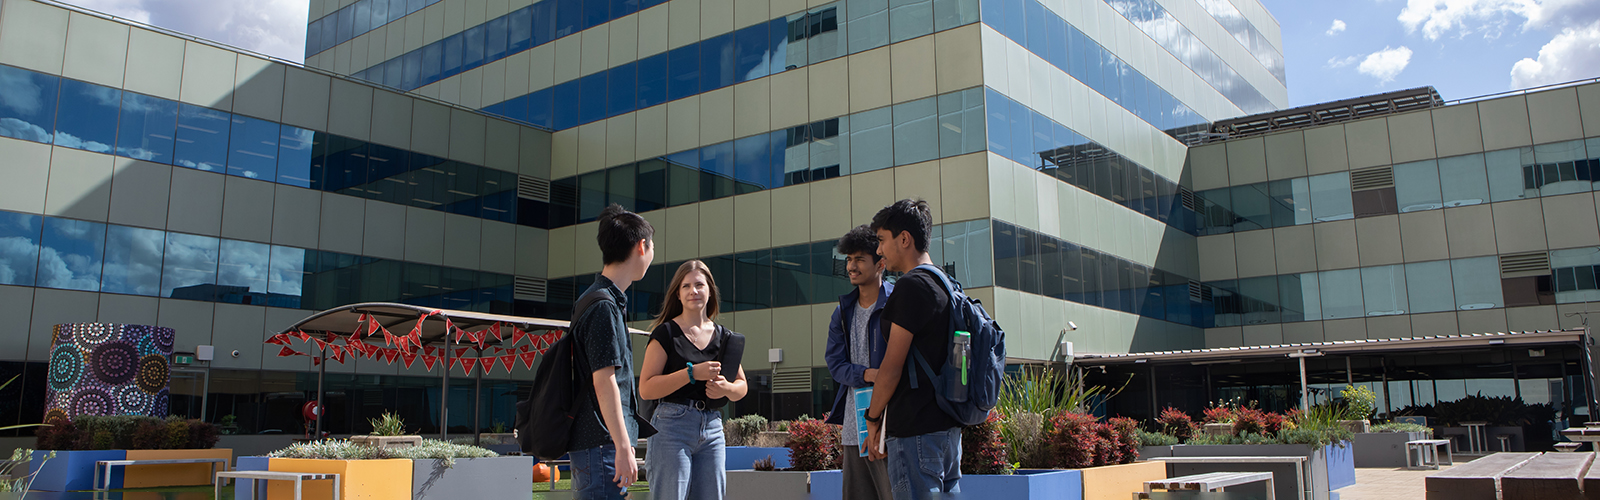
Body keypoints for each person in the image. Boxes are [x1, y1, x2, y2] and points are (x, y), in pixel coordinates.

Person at [862, 199, 962, 499]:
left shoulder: (911, 287)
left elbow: (891, 368)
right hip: (948, 428)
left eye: (881, 240)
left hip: (915, 432)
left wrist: (873, 418)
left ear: (904, 239)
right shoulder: (947, 284)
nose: (878, 250)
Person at [639, 260, 749, 500]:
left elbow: (741, 387)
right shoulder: (665, 333)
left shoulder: (724, 337)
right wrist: (691, 373)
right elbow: (646, 388)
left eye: (699, 285)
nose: (693, 291)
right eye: (686, 286)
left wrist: (726, 388)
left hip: (712, 428)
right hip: (671, 426)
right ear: (678, 294)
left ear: (710, 290)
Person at [569, 203, 656, 500]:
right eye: (652, 245)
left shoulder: (597, 300)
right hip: (602, 444)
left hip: (599, 444)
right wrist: (622, 446)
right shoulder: (604, 306)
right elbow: (604, 380)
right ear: (641, 247)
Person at [825, 225, 895, 500]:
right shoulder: (842, 312)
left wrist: (882, 377)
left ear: (880, 263)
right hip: (855, 430)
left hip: (891, 425)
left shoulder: (897, 303)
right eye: (849, 260)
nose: (851, 266)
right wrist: (868, 374)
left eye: (859, 259)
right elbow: (835, 364)